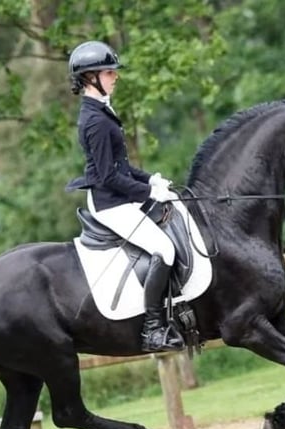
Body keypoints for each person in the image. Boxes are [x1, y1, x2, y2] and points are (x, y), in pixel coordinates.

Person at [67, 40, 184, 352]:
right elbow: (107, 177)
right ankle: (154, 329)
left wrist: (151, 179)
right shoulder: (94, 120)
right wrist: (149, 192)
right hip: (111, 204)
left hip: (118, 195)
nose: (115, 77)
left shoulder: (102, 111)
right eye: (108, 72)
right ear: (90, 77)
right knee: (165, 249)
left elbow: (121, 166)